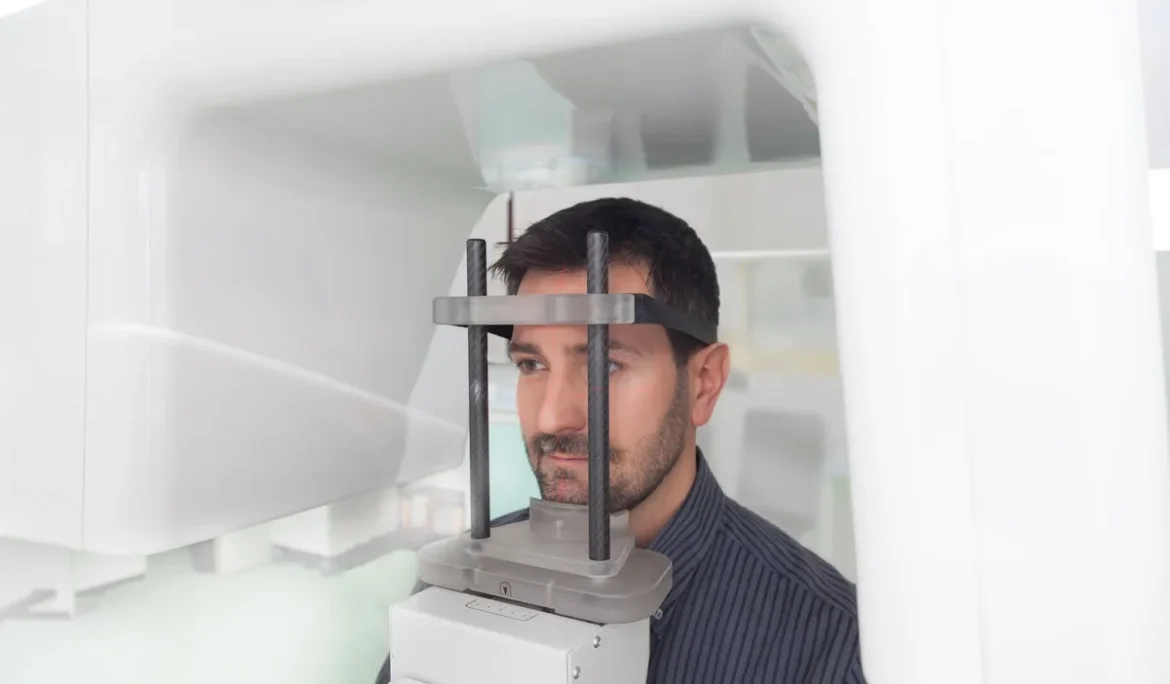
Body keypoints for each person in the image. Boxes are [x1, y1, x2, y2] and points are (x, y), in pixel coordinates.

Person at [377, 197, 866, 684]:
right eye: (532, 365)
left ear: (704, 382)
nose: (552, 417)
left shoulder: (828, 647)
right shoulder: (460, 580)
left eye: (606, 365)